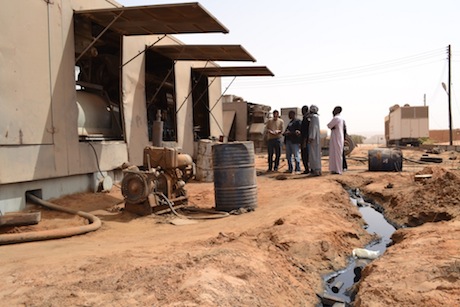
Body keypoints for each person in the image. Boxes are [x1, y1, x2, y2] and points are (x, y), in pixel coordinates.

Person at [327, 106, 345, 174]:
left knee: (337, 154)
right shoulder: (340, 118)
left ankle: (338, 170)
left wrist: (332, 127)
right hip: (337, 137)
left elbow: (329, 125)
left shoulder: (336, 118)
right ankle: (334, 169)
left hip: (337, 137)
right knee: (334, 153)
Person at [308, 105, 322, 176]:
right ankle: (316, 169)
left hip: (314, 139)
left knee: (314, 154)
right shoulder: (315, 117)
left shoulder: (314, 117)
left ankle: (315, 170)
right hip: (315, 138)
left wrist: (311, 137)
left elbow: (314, 128)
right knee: (315, 154)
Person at [300, 105, 310, 174]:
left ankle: (307, 169)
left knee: (305, 155)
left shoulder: (306, 118)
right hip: (305, 139)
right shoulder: (308, 118)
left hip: (305, 139)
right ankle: (307, 168)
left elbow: (306, 131)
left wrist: (304, 141)